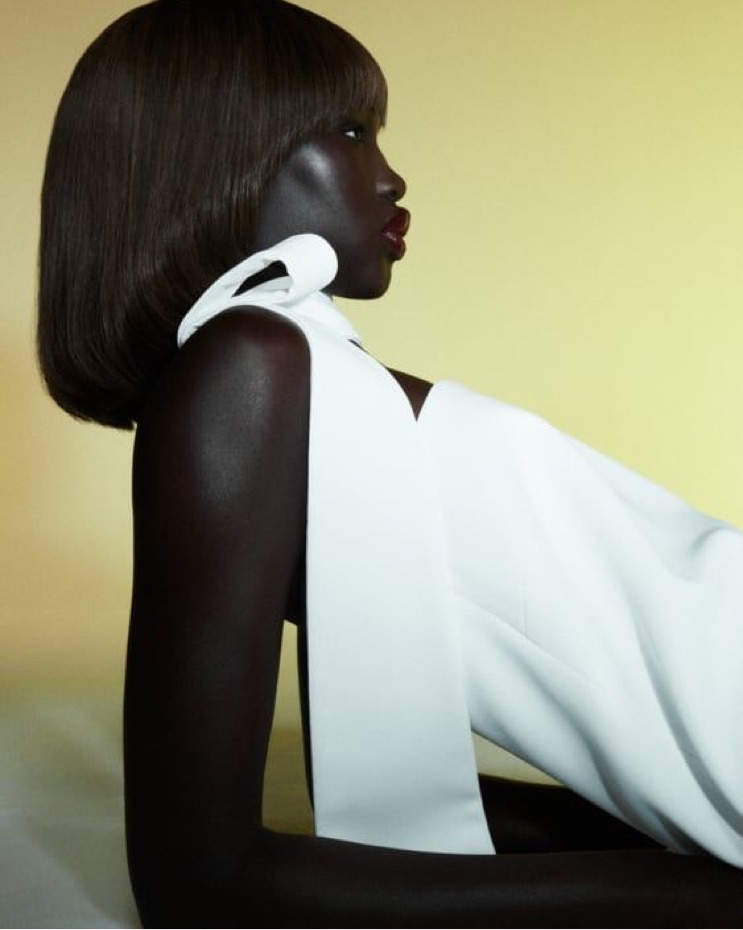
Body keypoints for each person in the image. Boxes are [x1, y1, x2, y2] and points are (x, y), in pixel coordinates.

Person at [36, 0, 743, 925]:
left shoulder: (296, 366)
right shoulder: (247, 364)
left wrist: (677, 872)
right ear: (216, 156)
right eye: (347, 131)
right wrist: (692, 894)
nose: (390, 175)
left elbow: (400, 796)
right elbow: (197, 881)